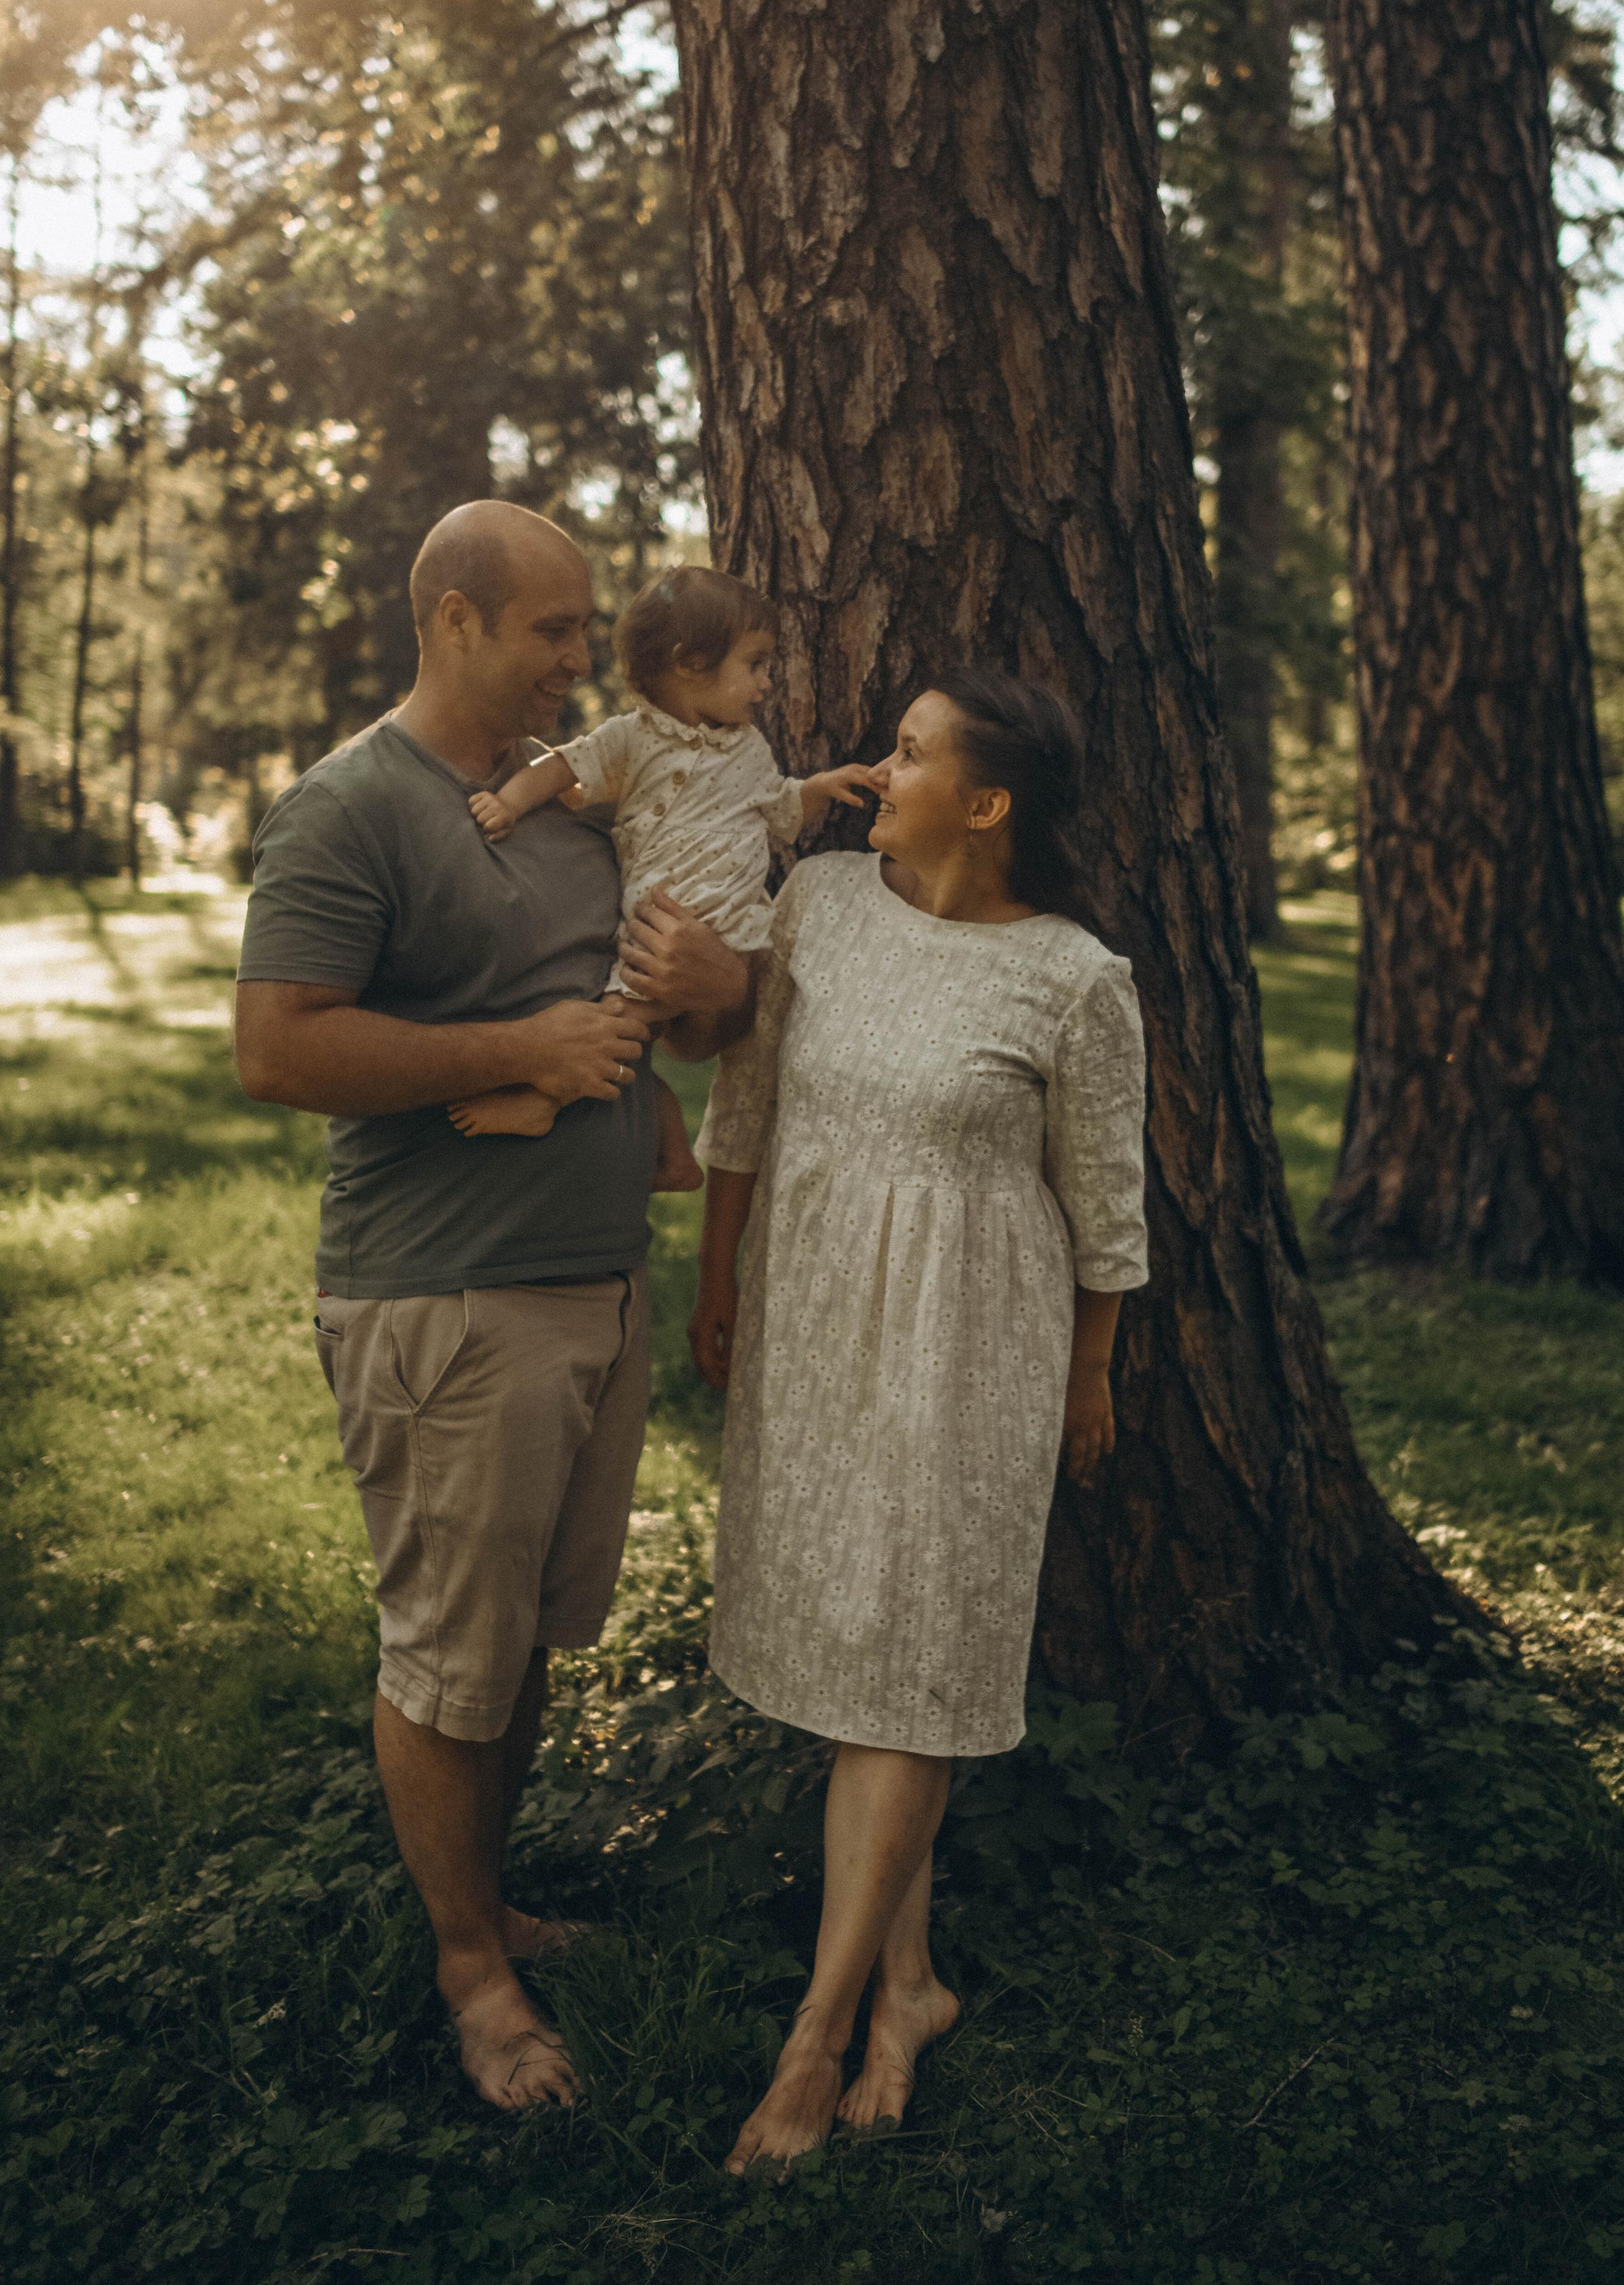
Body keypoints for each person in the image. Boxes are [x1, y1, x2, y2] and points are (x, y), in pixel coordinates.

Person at [234, 502, 754, 2117]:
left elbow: (676, 1025)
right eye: (550, 631)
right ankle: (471, 1974)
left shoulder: (577, 813)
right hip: (448, 1302)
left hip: (593, 1286)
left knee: (520, 1634)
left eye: (584, 630)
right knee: (451, 1650)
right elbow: (279, 1050)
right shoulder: (351, 809)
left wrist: (702, 996)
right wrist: (513, 1055)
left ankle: (493, 1909)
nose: (579, 660)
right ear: (452, 620)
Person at [689, 669, 1150, 2176]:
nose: (876, 769)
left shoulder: (1075, 978)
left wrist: (1085, 1376)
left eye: (908, 751)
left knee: (907, 1668)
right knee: (863, 1659)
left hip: (974, 1348)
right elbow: (743, 1109)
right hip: (815, 1325)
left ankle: (812, 2042)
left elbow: (1103, 1211)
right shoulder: (818, 905)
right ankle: (908, 1983)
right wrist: (716, 1281)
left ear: (989, 801)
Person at [449, 564, 876, 1177]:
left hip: (726, 927)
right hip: (658, 934)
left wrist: (821, 789)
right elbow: (565, 768)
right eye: (754, 664)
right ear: (690, 663)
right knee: (625, 1035)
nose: (766, 683)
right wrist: (510, 801)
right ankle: (671, 1151)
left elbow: (780, 806)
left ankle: (546, 1102)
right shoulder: (635, 737)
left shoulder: (750, 748)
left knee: (617, 1028)